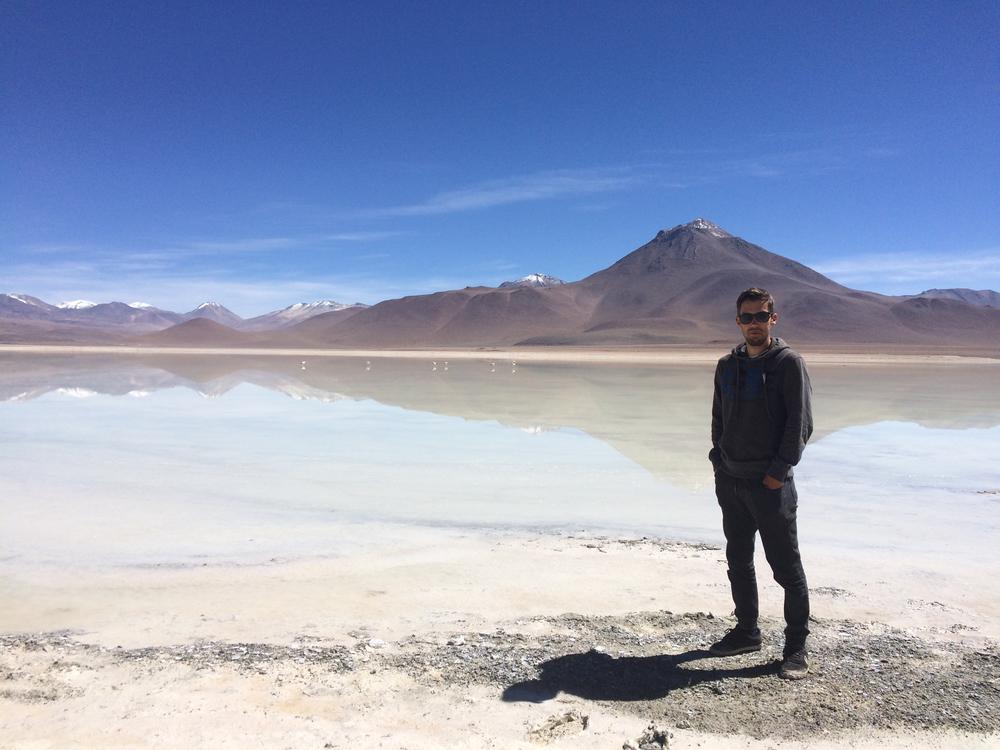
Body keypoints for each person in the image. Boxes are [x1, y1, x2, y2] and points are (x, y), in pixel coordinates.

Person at [708, 287, 813, 680]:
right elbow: (718, 415)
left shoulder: (789, 364)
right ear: (737, 321)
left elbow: (799, 424)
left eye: (761, 316)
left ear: (774, 318)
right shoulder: (727, 365)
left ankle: (796, 647)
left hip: (769, 485)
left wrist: (778, 472)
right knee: (738, 561)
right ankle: (747, 632)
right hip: (731, 480)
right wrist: (718, 459)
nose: (754, 323)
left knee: (786, 568)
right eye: (747, 317)